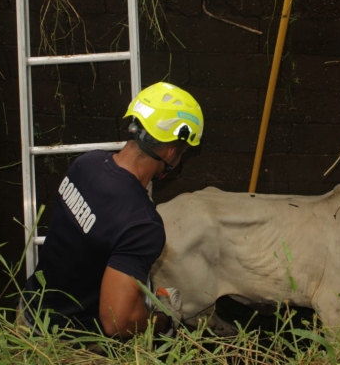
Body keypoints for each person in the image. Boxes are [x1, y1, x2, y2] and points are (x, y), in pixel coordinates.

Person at [20, 82, 204, 338]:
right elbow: (118, 322)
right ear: (172, 151)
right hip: (65, 344)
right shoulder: (142, 224)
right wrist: (163, 320)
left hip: (27, 313)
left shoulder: (86, 163)